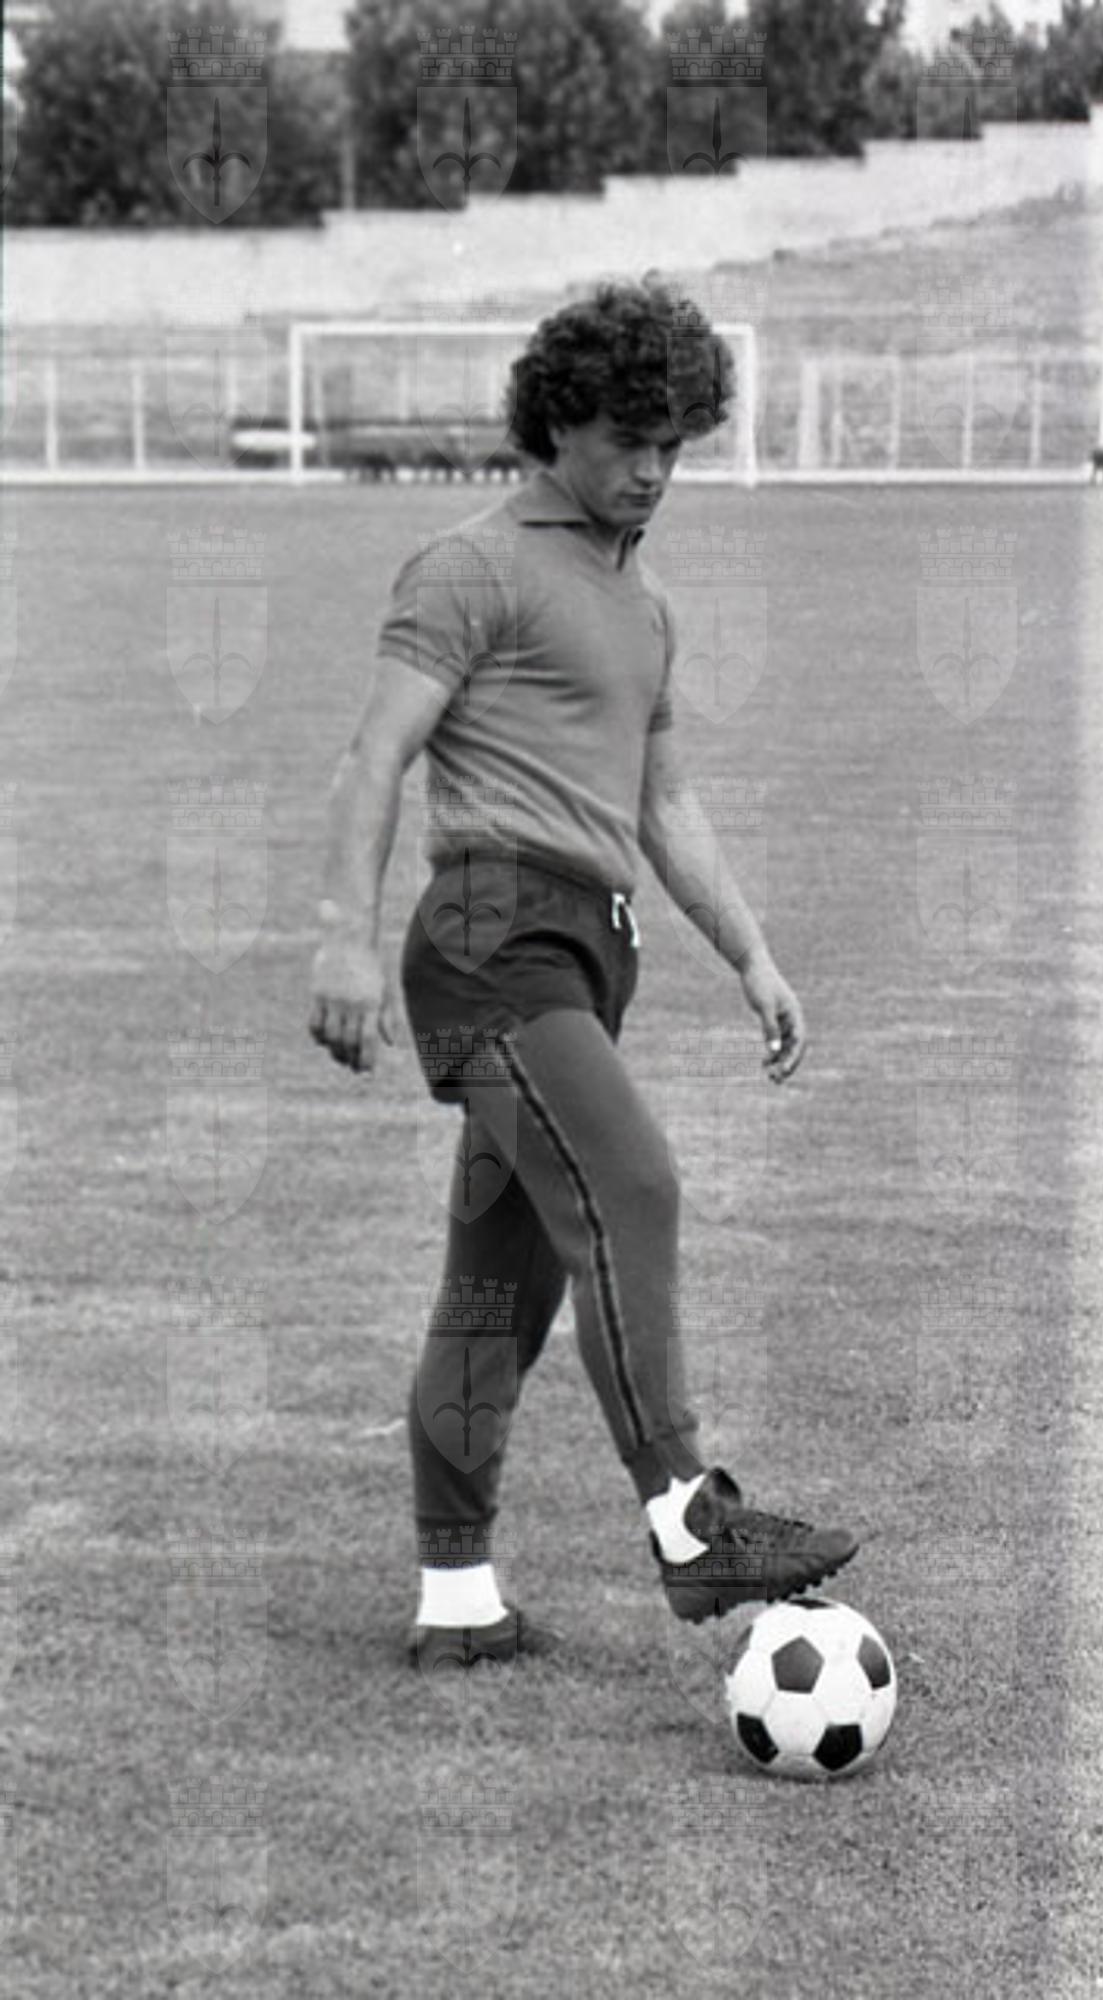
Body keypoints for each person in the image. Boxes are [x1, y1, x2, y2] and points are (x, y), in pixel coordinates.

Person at [308, 280, 857, 1671]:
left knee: (499, 1291)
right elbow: (376, 754)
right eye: (629, 441)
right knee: (635, 1184)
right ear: (558, 424)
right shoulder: (470, 568)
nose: (655, 471)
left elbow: (665, 806)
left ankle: (457, 1600)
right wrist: (342, 935)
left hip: (584, 954)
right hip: (491, 940)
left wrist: (752, 953)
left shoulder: (646, 605)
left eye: (674, 444)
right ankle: (688, 1519)